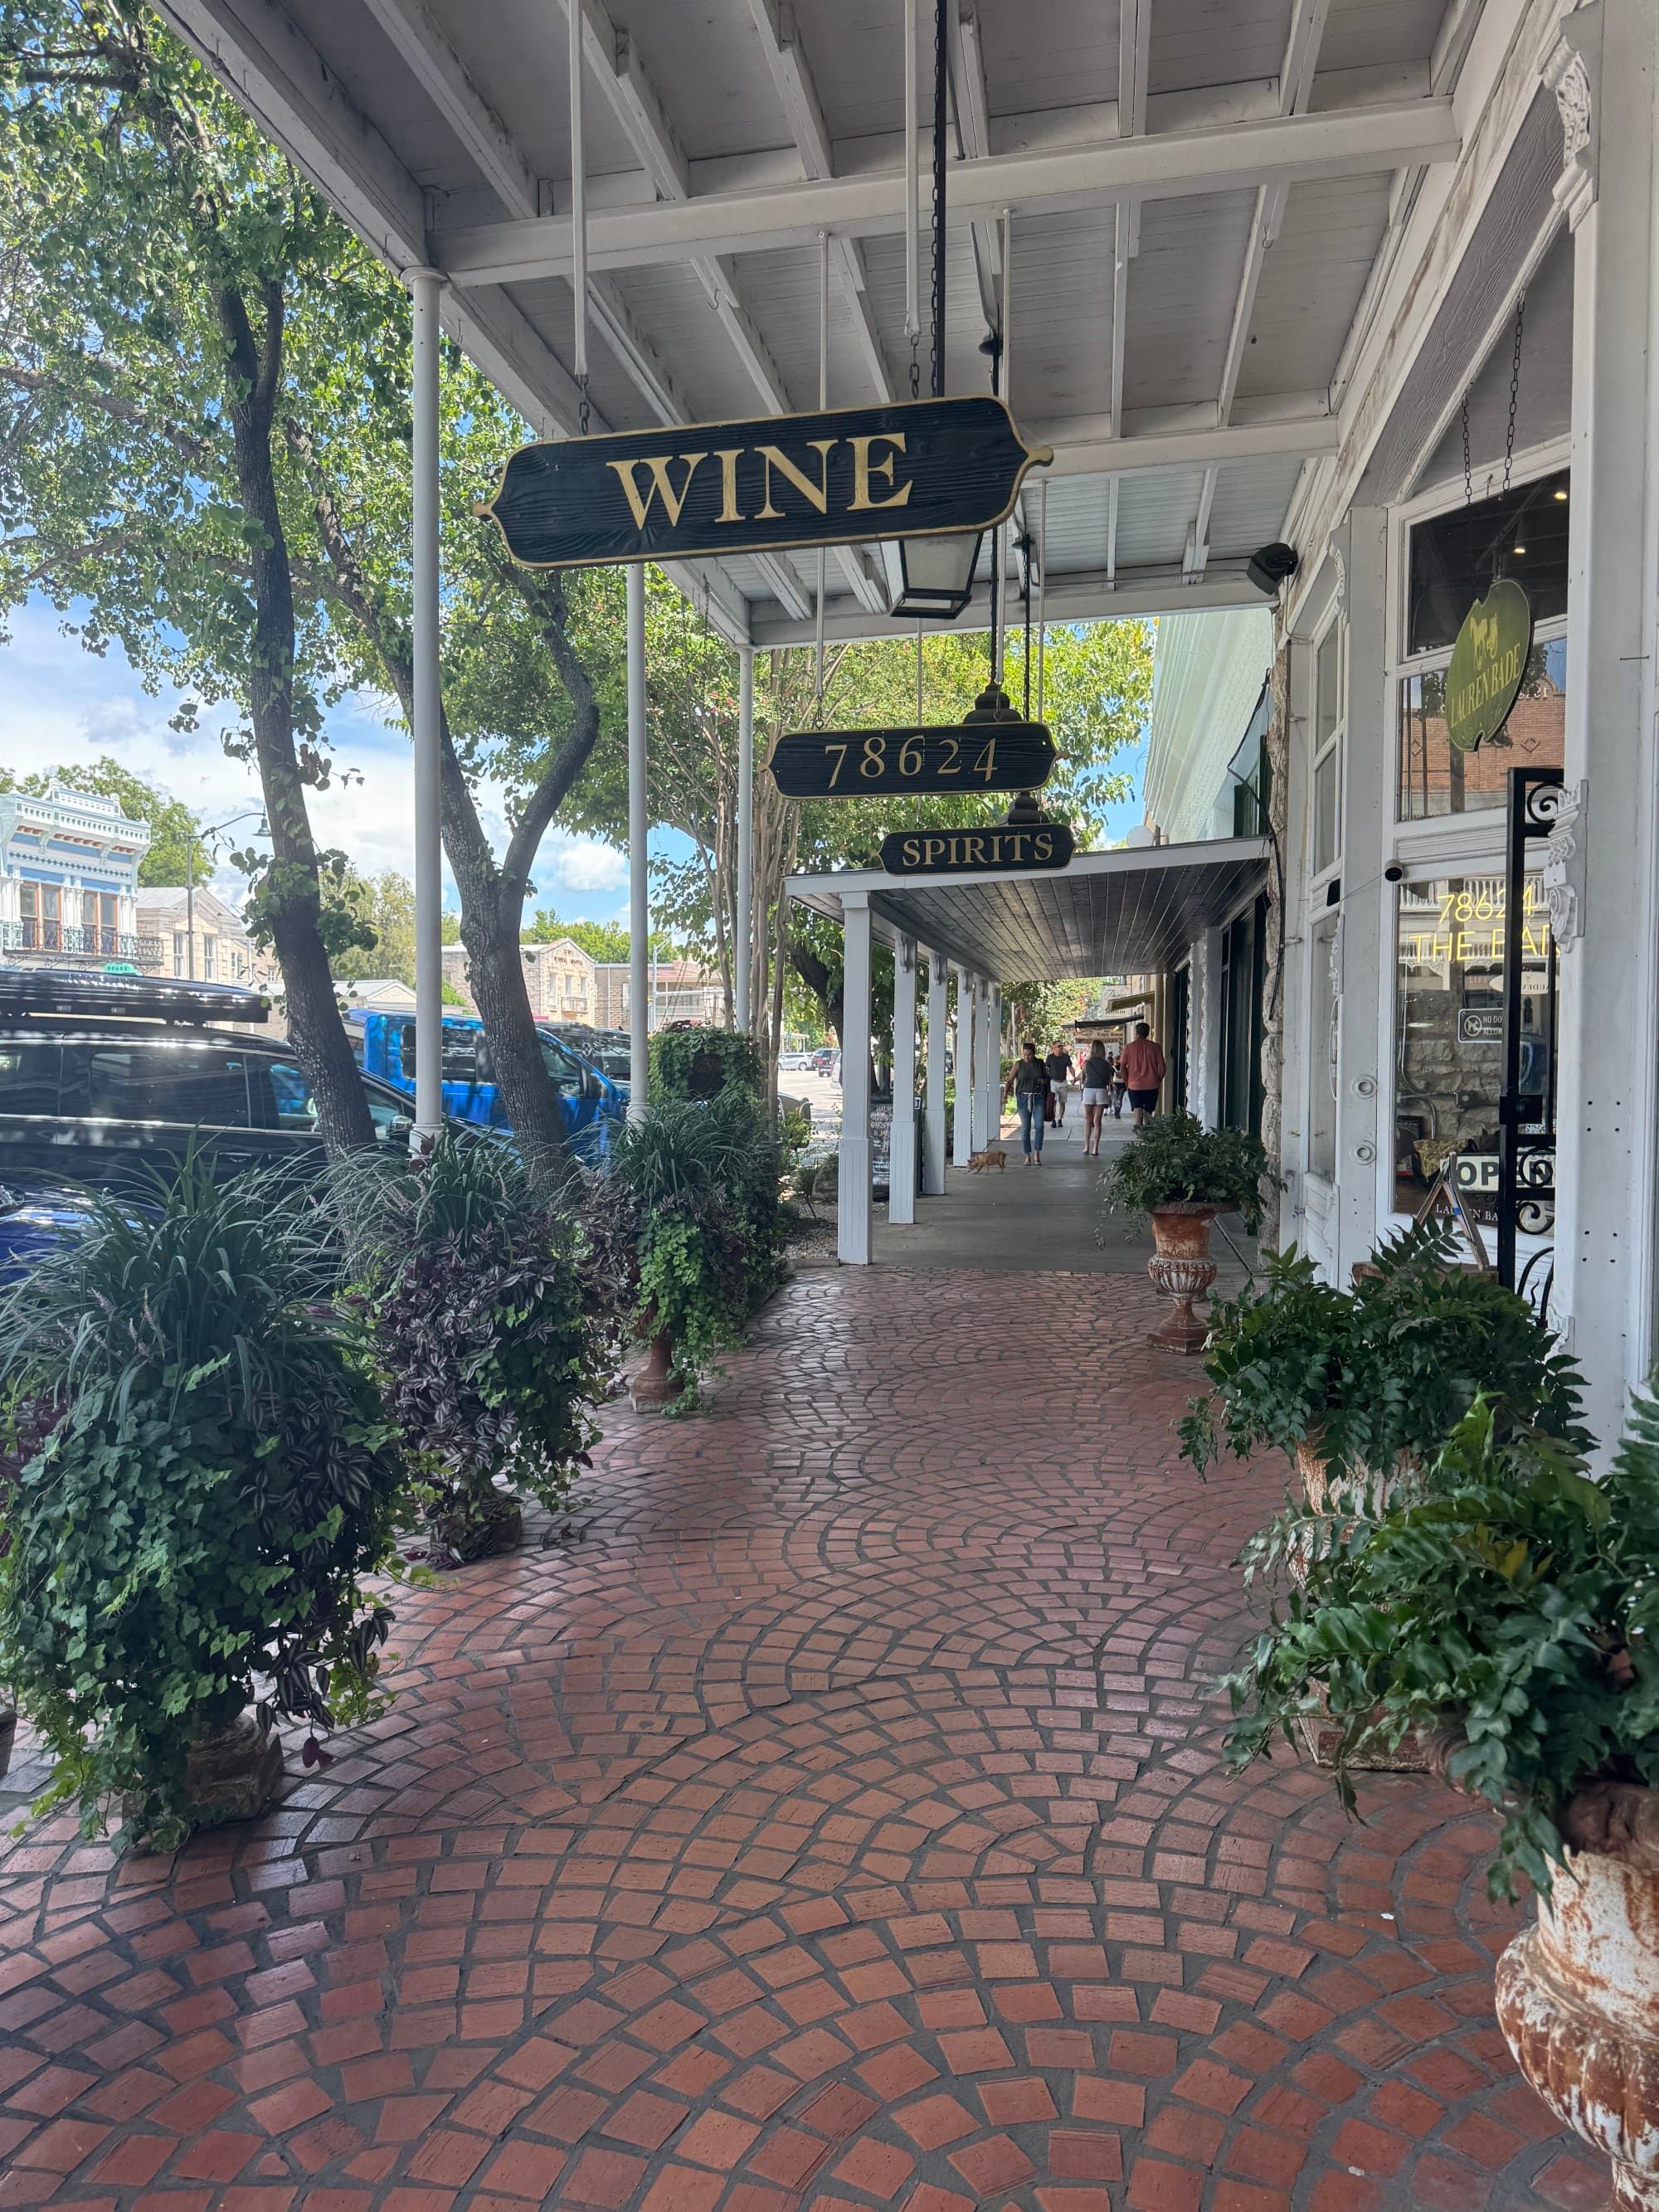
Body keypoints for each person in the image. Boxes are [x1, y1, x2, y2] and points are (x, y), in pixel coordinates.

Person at [1008, 1039, 1051, 1167]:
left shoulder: (1040, 1063)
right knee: (1025, 1129)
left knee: (1039, 1126)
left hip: (1038, 1097)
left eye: (1029, 1055)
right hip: (1022, 1098)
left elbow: (1047, 1078)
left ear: (1034, 1053)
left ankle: (1037, 1153)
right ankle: (1027, 1155)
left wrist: (1043, 1081)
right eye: (1024, 1055)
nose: (1027, 1057)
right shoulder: (1018, 1064)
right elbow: (1010, 1080)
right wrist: (1005, 1094)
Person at [1120, 1020, 1167, 1129]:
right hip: (1152, 1084)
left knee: (1137, 1107)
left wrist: (1127, 1083)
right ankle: (1148, 1134)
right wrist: (1158, 1080)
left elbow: (1122, 1068)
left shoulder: (1129, 1047)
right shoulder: (1156, 1047)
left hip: (1134, 1085)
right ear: (1148, 1032)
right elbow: (1163, 1067)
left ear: (1137, 1033)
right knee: (1149, 1111)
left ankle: (1139, 1131)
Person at [1079, 1041, 1112, 1156]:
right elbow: (1108, 1080)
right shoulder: (1107, 1064)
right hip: (1101, 1091)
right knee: (1097, 1121)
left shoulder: (1086, 1063)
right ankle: (1095, 1149)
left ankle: (1086, 1146)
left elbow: (1083, 1079)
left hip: (1089, 1090)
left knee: (1088, 1120)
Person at [1044, 1040, 1073, 1126]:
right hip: (1053, 1082)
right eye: (1059, 1046)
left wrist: (1074, 1077)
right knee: (1053, 1101)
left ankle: (1060, 1119)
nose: (1061, 1048)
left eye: (1061, 1046)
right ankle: (1053, 1119)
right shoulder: (1050, 1058)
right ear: (1054, 1048)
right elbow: (1046, 1068)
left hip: (1063, 1082)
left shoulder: (1066, 1057)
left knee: (1062, 1102)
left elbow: (1070, 1067)